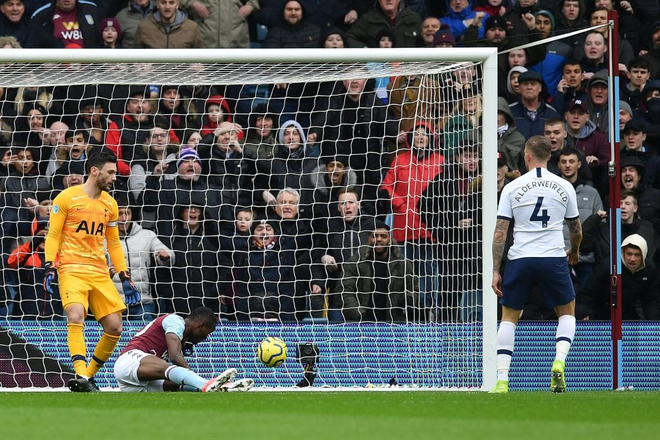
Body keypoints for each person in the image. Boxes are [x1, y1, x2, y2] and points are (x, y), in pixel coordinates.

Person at [43, 151, 141, 392]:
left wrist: (123, 273)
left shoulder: (110, 203)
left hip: (99, 271)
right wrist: (49, 265)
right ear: (94, 171)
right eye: (110, 172)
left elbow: (114, 243)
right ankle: (79, 372)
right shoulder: (66, 198)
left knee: (115, 327)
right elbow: (54, 234)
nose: (114, 177)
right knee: (75, 315)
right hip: (71, 268)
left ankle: (86, 377)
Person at [490, 136, 582, 393]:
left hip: (520, 258)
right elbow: (575, 229)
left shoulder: (512, 187)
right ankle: (559, 361)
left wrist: (496, 270)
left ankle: (502, 380)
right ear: (550, 157)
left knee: (509, 317)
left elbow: (500, 232)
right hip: (552, 256)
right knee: (566, 312)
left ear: (527, 156)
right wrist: (574, 251)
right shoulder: (564, 186)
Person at [113, 306, 254, 392]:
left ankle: (219, 388)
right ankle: (206, 384)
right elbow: (175, 357)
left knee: (175, 384)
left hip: (137, 385)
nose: (206, 337)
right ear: (200, 326)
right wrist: (196, 377)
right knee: (169, 369)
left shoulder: (182, 338)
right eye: (207, 332)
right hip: (129, 361)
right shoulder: (175, 321)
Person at [111, 194, 174, 321]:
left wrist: (165, 257)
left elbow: (170, 255)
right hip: (113, 303)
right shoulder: (105, 239)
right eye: (120, 213)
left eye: (127, 213)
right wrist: (107, 272)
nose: (124, 218)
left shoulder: (147, 235)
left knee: (144, 339)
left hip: (142, 302)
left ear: (132, 215)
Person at [339, 221, 417, 322]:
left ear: (390, 240)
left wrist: (407, 299)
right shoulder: (355, 262)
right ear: (369, 239)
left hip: (393, 325)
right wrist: (359, 315)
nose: (379, 239)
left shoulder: (403, 263)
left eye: (383, 236)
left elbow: (413, 289)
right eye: (374, 236)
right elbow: (344, 291)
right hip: (361, 324)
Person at [345, 0, 422, 48]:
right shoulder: (367, 19)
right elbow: (349, 37)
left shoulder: (414, 19)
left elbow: (424, 42)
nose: (388, 0)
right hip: (378, 71)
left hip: (407, 71)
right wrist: (365, 51)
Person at [27, 0, 100, 48]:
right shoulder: (41, 15)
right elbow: (33, 44)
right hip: (54, 67)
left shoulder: (91, 10)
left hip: (90, 66)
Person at [133, 0, 203, 48]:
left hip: (182, 70)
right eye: (163, 2)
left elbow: (201, 57)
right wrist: (140, 66)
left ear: (177, 5)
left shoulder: (191, 27)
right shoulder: (144, 27)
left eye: (171, 2)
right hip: (154, 70)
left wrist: (197, 66)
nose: (167, 7)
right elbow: (134, 57)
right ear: (157, 4)